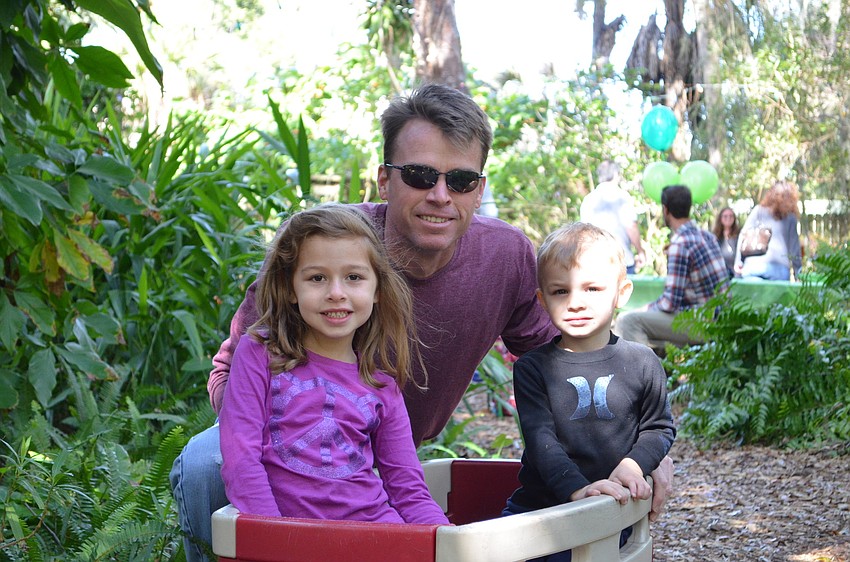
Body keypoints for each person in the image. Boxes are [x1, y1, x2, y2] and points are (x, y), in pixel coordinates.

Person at [170, 84, 674, 561]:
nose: (440, 195)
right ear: (384, 179)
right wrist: (289, 455)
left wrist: (642, 449)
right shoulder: (323, 247)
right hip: (278, 437)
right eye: (419, 175)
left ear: (479, 189)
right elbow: (228, 370)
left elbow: (567, 360)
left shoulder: (504, 256)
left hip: (391, 442)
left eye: (461, 180)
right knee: (204, 465)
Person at [219, 204, 448, 525]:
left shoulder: (382, 386)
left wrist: (447, 542)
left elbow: (408, 489)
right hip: (285, 536)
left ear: (377, 290)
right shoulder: (260, 353)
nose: (336, 293)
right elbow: (240, 460)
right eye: (317, 278)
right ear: (290, 288)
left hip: (375, 533)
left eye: (354, 277)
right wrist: (272, 536)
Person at [502, 223, 676, 562]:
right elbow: (540, 440)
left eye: (592, 289)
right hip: (541, 508)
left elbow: (658, 427)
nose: (576, 303)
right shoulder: (533, 368)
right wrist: (578, 489)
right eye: (560, 291)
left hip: (610, 508)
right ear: (542, 299)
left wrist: (633, 465)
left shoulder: (642, 362)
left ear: (621, 293)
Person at [615, 184, 729, 348]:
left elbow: (669, 303)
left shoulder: (680, 244)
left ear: (665, 210)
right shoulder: (708, 236)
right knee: (648, 331)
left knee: (627, 321)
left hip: (703, 323)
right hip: (723, 319)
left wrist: (644, 309)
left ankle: (644, 366)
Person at [580, 160, 646, 274]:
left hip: (595, 263)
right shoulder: (623, 197)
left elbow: (583, 234)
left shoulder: (588, 200)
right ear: (616, 175)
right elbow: (631, 227)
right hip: (621, 261)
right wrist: (640, 251)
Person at [734, 180, 802, 281]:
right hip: (779, 269)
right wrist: (798, 273)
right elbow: (794, 248)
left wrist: (738, 262)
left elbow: (743, 234)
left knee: (751, 292)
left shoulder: (758, 210)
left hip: (753, 266)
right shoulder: (790, 218)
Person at [712, 206, 740, 277]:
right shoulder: (714, 237)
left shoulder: (739, 235)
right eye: (725, 216)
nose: (728, 218)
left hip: (737, 274)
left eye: (731, 216)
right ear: (720, 218)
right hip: (720, 274)